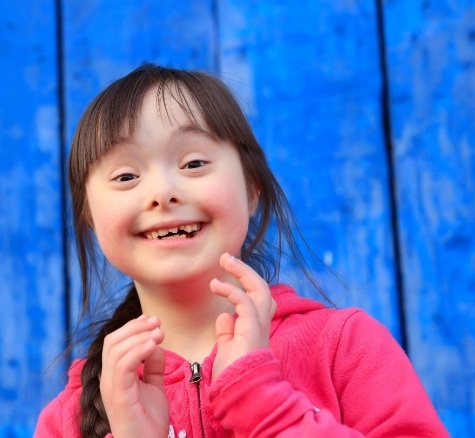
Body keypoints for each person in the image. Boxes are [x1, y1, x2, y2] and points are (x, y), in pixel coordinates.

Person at [34, 64, 449, 438]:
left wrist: (262, 402)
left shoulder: (344, 347)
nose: (162, 193)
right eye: (126, 176)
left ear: (252, 190)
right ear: (89, 216)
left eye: (194, 163)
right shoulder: (69, 416)